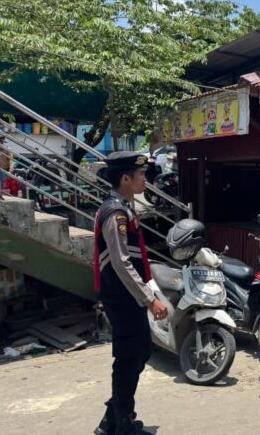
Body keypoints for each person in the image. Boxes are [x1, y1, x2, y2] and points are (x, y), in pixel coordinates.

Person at [93, 152, 167, 435]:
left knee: (139, 352)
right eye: (141, 175)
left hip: (126, 295)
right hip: (121, 296)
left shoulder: (123, 208)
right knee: (129, 357)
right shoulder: (116, 213)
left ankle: (113, 419)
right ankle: (121, 423)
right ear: (125, 179)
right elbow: (122, 263)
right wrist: (150, 300)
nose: (145, 179)